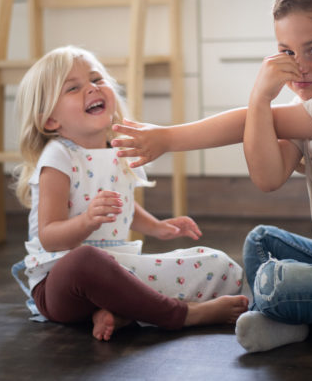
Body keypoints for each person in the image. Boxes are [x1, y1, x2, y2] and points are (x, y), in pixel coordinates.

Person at [111, 0, 312, 351]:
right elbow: (268, 176)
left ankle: (281, 308)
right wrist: (262, 103)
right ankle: (284, 317)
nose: (300, 66)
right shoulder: (309, 105)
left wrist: (172, 136)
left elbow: (251, 121)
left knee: (279, 282)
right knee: (261, 241)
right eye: (288, 52)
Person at [13, 45, 248, 342]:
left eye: (97, 80)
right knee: (86, 260)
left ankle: (121, 311)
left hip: (112, 271)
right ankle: (184, 314)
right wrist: (87, 221)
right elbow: (48, 235)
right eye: (73, 87)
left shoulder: (115, 150)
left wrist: (157, 227)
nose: (91, 88)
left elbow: (123, 206)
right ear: (50, 121)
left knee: (221, 266)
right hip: (60, 283)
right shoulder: (58, 157)